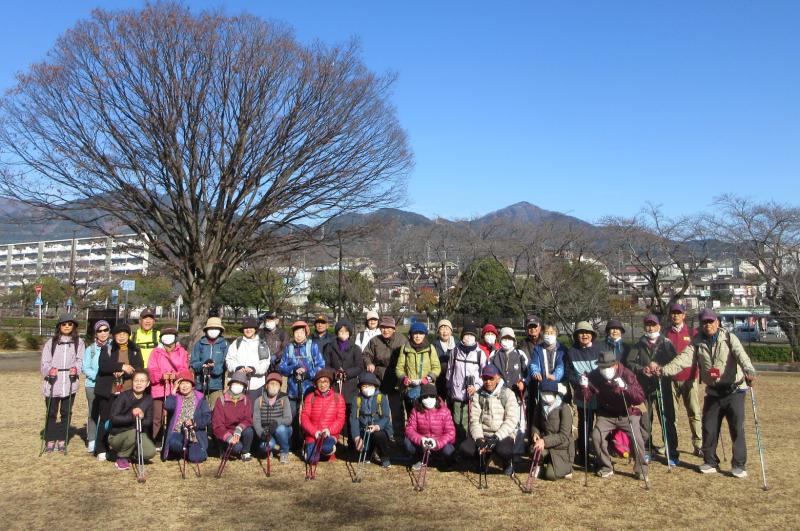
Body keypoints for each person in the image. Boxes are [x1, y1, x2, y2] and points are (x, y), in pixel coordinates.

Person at [656, 308, 756, 478]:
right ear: (701, 325)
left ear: (717, 322)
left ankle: (739, 465)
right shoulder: (697, 342)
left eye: (711, 322)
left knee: (736, 428)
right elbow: (683, 360)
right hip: (713, 392)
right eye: (705, 322)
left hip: (734, 390)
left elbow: (741, 356)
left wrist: (749, 370)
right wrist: (663, 370)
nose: (708, 325)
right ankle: (710, 461)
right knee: (709, 427)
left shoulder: (729, 338)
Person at [624, 314, 679, 465]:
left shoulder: (666, 343)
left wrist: (661, 368)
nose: (650, 328)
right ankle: (647, 449)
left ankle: (672, 452)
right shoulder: (638, 344)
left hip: (663, 385)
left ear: (659, 327)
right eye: (648, 325)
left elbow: (675, 361)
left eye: (653, 325)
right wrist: (642, 369)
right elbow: (629, 363)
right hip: (644, 387)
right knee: (645, 420)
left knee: (666, 419)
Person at [586, 350, 649, 480]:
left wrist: (626, 387)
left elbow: (639, 397)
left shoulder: (627, 374)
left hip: (627, 413)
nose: (604, 370)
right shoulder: (594, 375)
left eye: (607, 367)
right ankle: (606, 466)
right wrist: (583, 387)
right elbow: (585, 397)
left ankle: (641, 469)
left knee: (637, 438)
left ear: (615, 365)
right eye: (601, 367)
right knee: (596, 436)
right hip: (606, 414)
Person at [95, 322, 144, 461]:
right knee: (105, 419)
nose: (121, 336)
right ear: (114, 336)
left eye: (124, 334)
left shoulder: (135, 349)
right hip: (109, 391)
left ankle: (124, 449)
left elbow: (139, 367)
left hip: (128, 391)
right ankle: (101, 448)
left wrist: (125, 373)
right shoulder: (108, 348)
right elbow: (103, 366)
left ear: (129, 335)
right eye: (118, 334)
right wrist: (121, 366)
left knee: (127, 421)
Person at [460, 365, 520, 476]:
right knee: (465, 448)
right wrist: (479, 438)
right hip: (484, 434)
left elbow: (512, 420)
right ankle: (482, 459)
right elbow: (474, 420)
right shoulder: (478, 395)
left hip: (502, 434)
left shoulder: (508, 394)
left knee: (504, 451)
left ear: (497, 378)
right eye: (485, 379)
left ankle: (507, 463)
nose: (488, 382)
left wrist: (496, 437)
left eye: (491, 378)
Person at [40, 314, 85, 453]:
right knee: (51, 412)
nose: (67, 326)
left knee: (66, 412)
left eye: (70, 324)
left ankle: (62, 439)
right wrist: (49, 371)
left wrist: (76, 369)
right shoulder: (51, 342)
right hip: (53, 383)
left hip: (70, 383)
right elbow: (44, 363)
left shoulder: (79, 342)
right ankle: (50, 438)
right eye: (64, 324)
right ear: (59, 326)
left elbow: (80, 360)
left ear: (74, 326)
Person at [363, 316, 408, 442]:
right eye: (383, 327)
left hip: (395, 376)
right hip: (379, 376)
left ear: (394, 329)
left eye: (388, 328)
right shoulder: (374, 340)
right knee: (379, 408)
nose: (385, 330)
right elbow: (366, 354)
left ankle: (399, 436)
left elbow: (407, 357)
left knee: (396, 409)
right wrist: (368, 363)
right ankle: (382, 434)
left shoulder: (401, 340)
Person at [487, 327, 528, 465]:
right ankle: (500, 450)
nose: (506, 341)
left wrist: (523, 382)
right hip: (500, 396)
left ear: (514, 340)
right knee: (503, 421)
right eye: (504, 338)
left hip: (518, 395)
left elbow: (527, 373)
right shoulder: (494, 354)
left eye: (509, 338)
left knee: (520, 423)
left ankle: (517, 451)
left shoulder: (520, 354)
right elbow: (489, 373)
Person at [665, 303, 701, 456]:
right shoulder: (665, 334)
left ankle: (698, 444)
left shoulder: (693, 333)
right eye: (673, 313)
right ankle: (671, 445)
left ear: (684, 316)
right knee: (671, 414)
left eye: (678, 313)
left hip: (690, 378)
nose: (675, 316)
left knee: (694, 412)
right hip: (670, 379)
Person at [566, 321, 603, 468]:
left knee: (601, 427)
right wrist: (578, 380)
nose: (584, 335)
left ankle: (600, 456)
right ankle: (584, 456)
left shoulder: (600, 349)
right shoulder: (571, 352)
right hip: (583, 396)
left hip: (600, 395)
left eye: (587, 332)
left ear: (592, 335)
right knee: (584, 426)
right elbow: (569, 373)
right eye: (581, 333)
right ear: (576, 336)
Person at [322, 320, 364, 445]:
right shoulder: (329, 347)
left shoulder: (355, 348)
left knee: (351, 415)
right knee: (335, 414)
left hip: (350, 386)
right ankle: (332, 442)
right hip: (335, 385)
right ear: (337, 332)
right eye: (340, 331)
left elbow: (359, 366)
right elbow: (326, 364)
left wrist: (347, 373)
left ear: (350, 333)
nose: (343, 333)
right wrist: (335, 373)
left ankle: (352, 443)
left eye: (346, 331)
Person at [108, 369, 156, 470]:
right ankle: (122, 457)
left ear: (147, 384)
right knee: (133, 433)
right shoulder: (123, 396)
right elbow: (113, 418)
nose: (139, 383)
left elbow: (148, 421)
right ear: (132, 382)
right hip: (118, 435)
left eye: (142, 381)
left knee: (150, 452)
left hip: (137, 433)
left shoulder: (148, 399)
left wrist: (142, 417)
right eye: (136, 380)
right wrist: (132, 417)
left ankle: (130, 454)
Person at [148, 326, 189, 441]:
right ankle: (156, 439)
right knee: (157, 416)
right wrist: (161, 376)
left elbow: (184, 368)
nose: (168, 338)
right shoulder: (156, 352)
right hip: (159, 388)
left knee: (174, 415)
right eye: (165, 336)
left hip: (175, 387)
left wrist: (176, 376)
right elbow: (152, 369)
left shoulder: (182, 352)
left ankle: (172, 439)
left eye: (171, 335)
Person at [278, 321, 326, 419]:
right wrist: (293, 369)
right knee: (292, 419)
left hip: (309, 390)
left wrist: (308, 374)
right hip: (292, 391)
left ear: (306, 333)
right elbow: (282, 367)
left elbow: (321, 365)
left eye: (301, 332)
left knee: (309, 419)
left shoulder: (313, 346)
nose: (299, 335)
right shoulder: (289, 348)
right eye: (296, 332)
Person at [446, 325, 486, 442]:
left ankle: (471, 446)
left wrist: (477, 387)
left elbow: (485, 375)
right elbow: (450, 370)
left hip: (473, 394)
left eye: (471, 336)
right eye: (466, 335)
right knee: (457, 421)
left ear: (475, 338)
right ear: (462, 336)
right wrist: (449, 387)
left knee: (472, 421)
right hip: (457, 393)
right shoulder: (455, 351)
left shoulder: (480, 353)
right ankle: (458, 448)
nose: (468, 338)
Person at [162, 369, 212, 463]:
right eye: (181, 383)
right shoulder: (176, 397)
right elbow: (167, 406)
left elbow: (207, 417)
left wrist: (195, 423)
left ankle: (189, 451)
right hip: (178, 433)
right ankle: (184, 450)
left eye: (187, 383)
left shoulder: (200, 398)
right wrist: (173, 391)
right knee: (173, 442)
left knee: (197, 458)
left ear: (192, 385)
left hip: (194, 435)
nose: (184, 386)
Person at [405, 383, 456, 470]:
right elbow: (409, 429)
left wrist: (437, 443)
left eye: (432, 396)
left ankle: (443, 460)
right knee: (407, 443)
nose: (428, 399)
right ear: (421, 399)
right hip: (423, 445)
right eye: (425, 397)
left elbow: (451, 433)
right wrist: (421, 440)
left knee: (448, 450)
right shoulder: (415, 410)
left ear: (436, 398)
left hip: (439, 444)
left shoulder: (445, 411)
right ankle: (420, 458)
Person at [531, 380, 575, 480]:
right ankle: (541, 464)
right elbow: (535, 424)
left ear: (555, 393)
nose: (546, 395)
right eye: (543, 393)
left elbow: (564, 435)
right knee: (534, 449)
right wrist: (535, 433)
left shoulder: (564, 408)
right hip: (546, 444)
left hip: (562, 447)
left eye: (549, 393)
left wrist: (544, 441)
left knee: (550, 475)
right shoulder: (539, 406)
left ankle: (567, 468)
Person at [300, 368, 346, 463]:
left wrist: (329, 430)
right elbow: (304, 417)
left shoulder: (338, 398)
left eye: (325, 381)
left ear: (329, 383)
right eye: (320, 382)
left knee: (327, 447)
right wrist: (314, 432)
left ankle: (326, 450)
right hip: (313, 435)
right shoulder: (310, 397)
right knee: (311, 460)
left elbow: (340, 419)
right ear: (316, 384)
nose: (323, 384)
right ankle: (311, 449)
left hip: (329, 434)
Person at [396, 322, 441, 416]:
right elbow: (399, 368)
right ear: (411, 334)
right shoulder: (405, 348)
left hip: (427, 390)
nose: (418, 336)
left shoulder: (430, 348)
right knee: (412, 417)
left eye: (421, 333)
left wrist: (428, 378)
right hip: (410, 389)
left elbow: (436, 368)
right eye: (415, 333)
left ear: (425, 335)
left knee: (427, 417)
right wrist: (404, 378)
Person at [349, 372, 393, 468]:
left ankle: (385, 457)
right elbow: (354, 419)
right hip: (364, 429)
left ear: (375, 386)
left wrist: (377, 426)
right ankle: (368, 454)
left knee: (379, 435)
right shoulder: (356, 399)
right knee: (363, 446)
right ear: (360, 387)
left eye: (370, 385)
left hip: (379, 429)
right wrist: (356, 437)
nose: (367, 388)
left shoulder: (381, 398)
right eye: (364, 386)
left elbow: (386, 417)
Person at [211, 370, 255, 461]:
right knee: (237, 448)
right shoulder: (221, 400)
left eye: (241, 384)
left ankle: (245, 452)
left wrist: (239, 428)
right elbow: (217, 425)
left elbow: (248, 419)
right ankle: (224, 448)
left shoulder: (246, 400)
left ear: (244, 387)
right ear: (230, 384)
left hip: (239, 431)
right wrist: (228, 437)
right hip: (225, 432)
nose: (238, 386)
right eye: (235, 383)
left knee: (249, 431)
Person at [226, 316, 271, 402]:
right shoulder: (236, 343)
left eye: (251, 327)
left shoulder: (262, 344)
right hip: (237, 385)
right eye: (246, 328)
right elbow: (229, 360)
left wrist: (254, 369)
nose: (248, 330)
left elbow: (265, 363)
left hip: (256, 385)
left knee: (253, 412)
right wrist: (237, 368)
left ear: (255, 329)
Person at [253, 372, 293, 464]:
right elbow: (256, 421)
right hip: (266, 431)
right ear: (266, 386)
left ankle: (284, 451)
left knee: (281, 430)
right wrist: (261, 433)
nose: (274, 386)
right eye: (271, 383)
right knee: (265, 446)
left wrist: (276, 422)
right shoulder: (258, 401)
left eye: (277, 384)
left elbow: (288, 419)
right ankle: (270, 449)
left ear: (280, 387)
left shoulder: (284, 399)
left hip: (282, 429)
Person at [82, 319, 109, 453]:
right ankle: (92, 439)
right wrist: (98, 377)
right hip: (92, 386)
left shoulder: (113, 347)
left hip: (108, 385)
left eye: (105, 330)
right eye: (100, 330)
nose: (103, 333)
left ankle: (105, 438)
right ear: (96, 333)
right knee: (93, 412)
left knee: (107, 413)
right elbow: (85, 368)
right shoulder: (90, 349)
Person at [190, 317, 228, 409]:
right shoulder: (199, 344)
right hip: (200, 384)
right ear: (206, 330)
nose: (213, 331)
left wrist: (214, 368)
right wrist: (202, 365)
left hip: (217, 385)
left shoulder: (225, 344)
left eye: (216, 328)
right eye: (211, 328)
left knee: (216, 411)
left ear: (220, 330)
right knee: (201, 411)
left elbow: (225, 364)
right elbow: (194, 362)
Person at [432, 319, 455, 399]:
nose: (444, 331)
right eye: (442, 328)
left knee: (451, 405)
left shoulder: (457, 345)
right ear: (438, 332)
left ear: (451, 331)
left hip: (453, 380)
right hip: (439, 380)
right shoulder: (433, 345)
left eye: (447, 328)